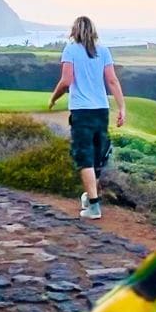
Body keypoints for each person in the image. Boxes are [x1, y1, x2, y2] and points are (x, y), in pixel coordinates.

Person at [48, 15, 125, 219]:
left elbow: (66, 81)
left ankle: (93, 206)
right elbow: (113, 81)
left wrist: (53, 98)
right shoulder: (104, 51)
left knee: (85, 158)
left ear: (74, 31)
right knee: (98, 156)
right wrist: (122, 108)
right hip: (101, 110)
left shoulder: (71, 50)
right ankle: (89, 196)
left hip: (82, 111)